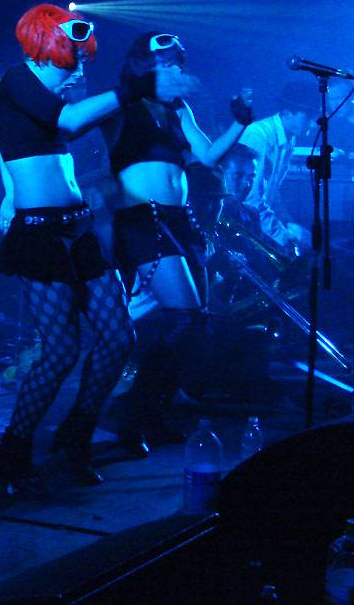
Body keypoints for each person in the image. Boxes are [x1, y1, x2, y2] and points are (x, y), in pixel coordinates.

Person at [0, 4, 182, 496]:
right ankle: (13, 451)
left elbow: (49, 141)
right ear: (46, 46)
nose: (79, 68)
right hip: (40, 234)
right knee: (60, 350)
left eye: (82, 59)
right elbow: (71, 121)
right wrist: (135, 86)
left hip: (79, 228)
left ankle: (77, 431)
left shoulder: (51, 96)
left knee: (118, 338)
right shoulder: (17, 80)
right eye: (72, 58)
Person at [101, 32, 252, 454]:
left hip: (179, 218)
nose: (175, 69)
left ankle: (153, 412)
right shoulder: (123, 103)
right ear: (146, 66)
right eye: (165, 63)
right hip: (142, 218)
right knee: (183, 317)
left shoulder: (179, 108)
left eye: (177, 62)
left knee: (195, 321)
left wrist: (240, 122)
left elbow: (207, 156)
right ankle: (131, 414)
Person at [238, 82, 317, 252]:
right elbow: (252, 200)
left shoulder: (290, 140)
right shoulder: (258, 136)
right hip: (243, 226)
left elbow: (271, 192)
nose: (313, 124)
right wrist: (285, 237)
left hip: (259, 223)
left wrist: (288, 223)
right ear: (287, 113)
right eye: (308, 117)